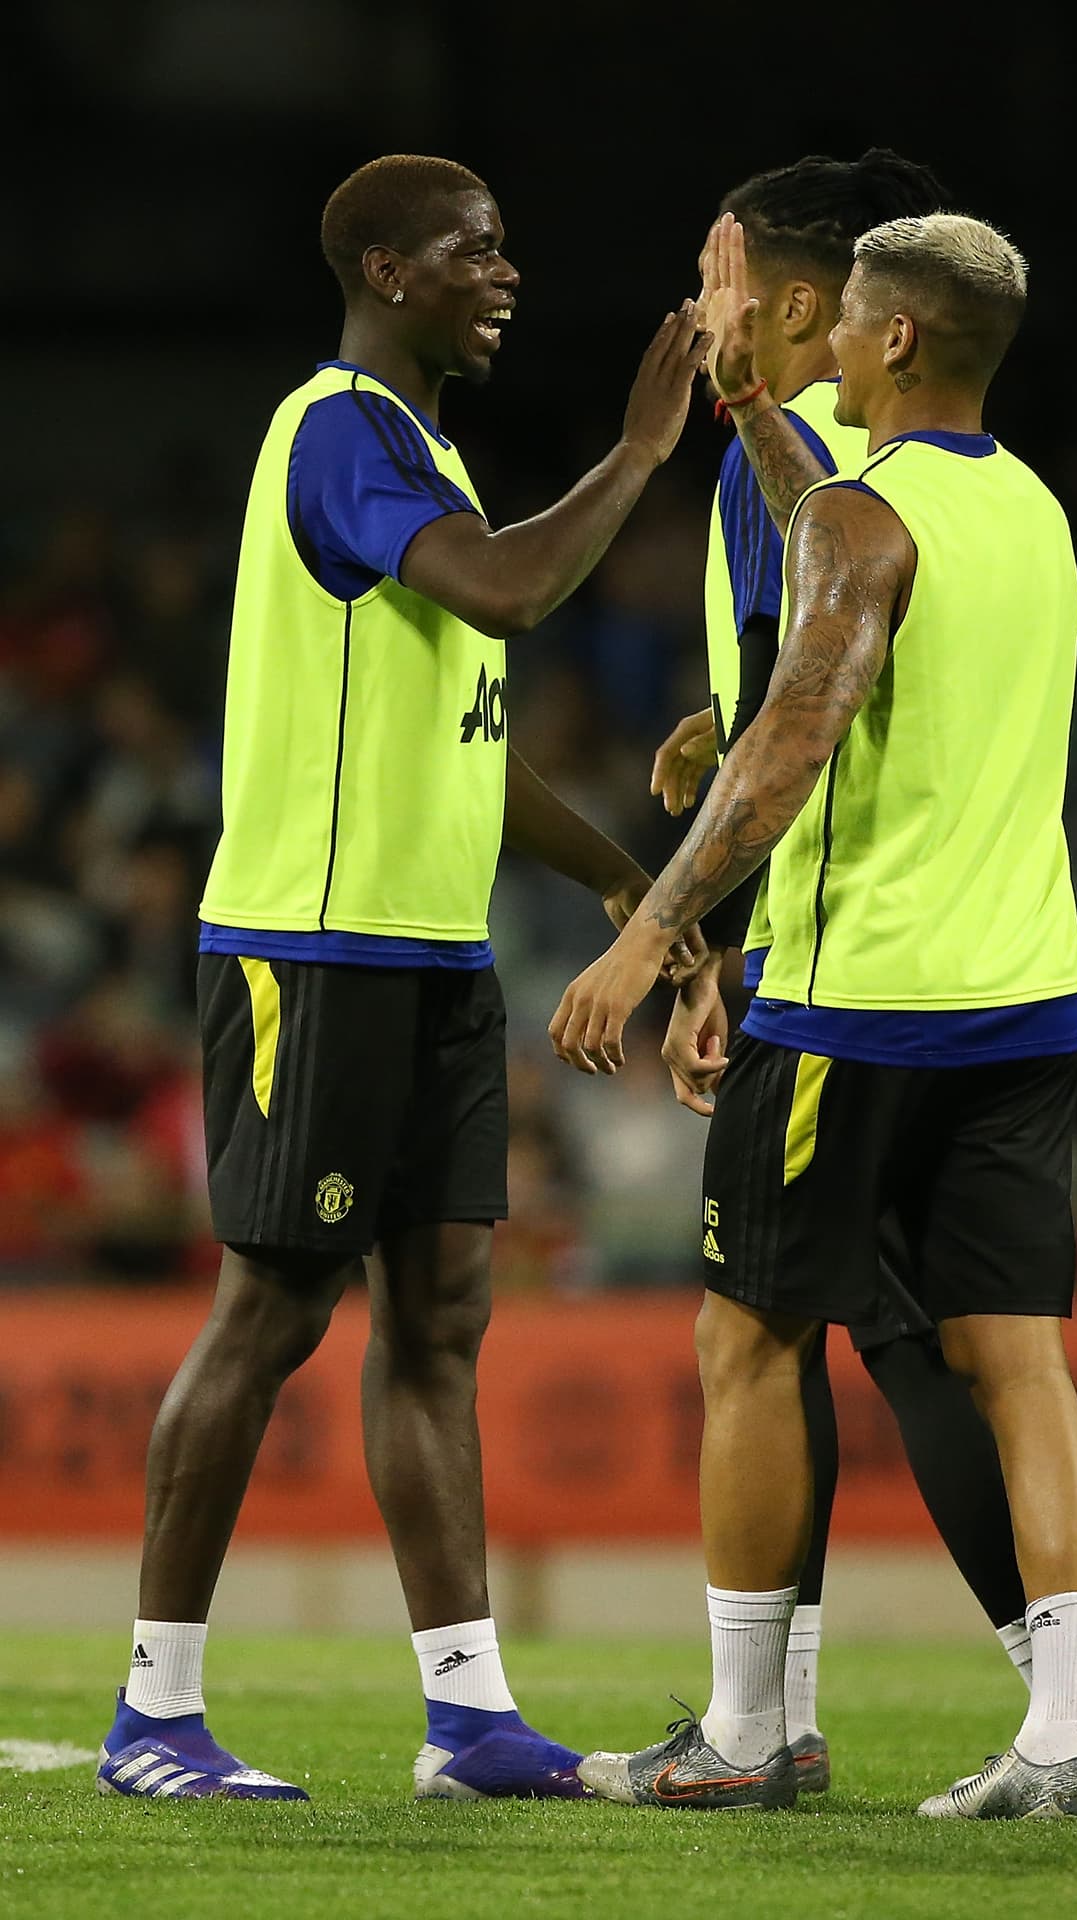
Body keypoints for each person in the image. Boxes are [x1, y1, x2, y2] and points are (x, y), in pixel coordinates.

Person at [97, 153, 705, 1804]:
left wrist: (629, 886)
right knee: (275, 1307)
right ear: (385, 266)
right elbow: (510, 586)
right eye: (474, 250)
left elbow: (474, 752)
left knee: (439, 1322)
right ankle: (155, 1714)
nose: (505, 274)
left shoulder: (424, 459)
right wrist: (645, 448)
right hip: (314, 943)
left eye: (507, 247)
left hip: (434, 958)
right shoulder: (340, 431)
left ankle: (467, 1716)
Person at [552, 211, 1077, 1822]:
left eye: (850, 325)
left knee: (749, 1340)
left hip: (860, 1009)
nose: (835, 348)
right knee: (1021, 1366)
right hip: (1023, 1000)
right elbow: (853, 563)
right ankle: (1064, 1737)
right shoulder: (1032, 512)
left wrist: (649, 932)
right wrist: (746, 406)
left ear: (895, 345)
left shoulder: (867, 524)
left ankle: (745, 1734)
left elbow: (802, 730)